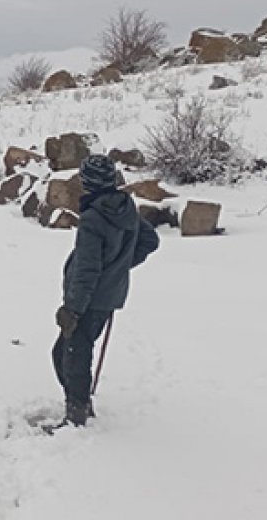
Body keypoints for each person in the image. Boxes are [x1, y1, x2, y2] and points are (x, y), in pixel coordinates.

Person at [53, 154, 160, 427]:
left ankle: (76, 415)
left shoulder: (93, 218)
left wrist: (72, 309)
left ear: (87, 182)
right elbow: (149, 240)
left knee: (73, 353)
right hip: (109, 295)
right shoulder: (125, 206)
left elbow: (87, 269)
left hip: (88, 299)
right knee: (67, 351)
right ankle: (80, 405)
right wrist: (118, 269)